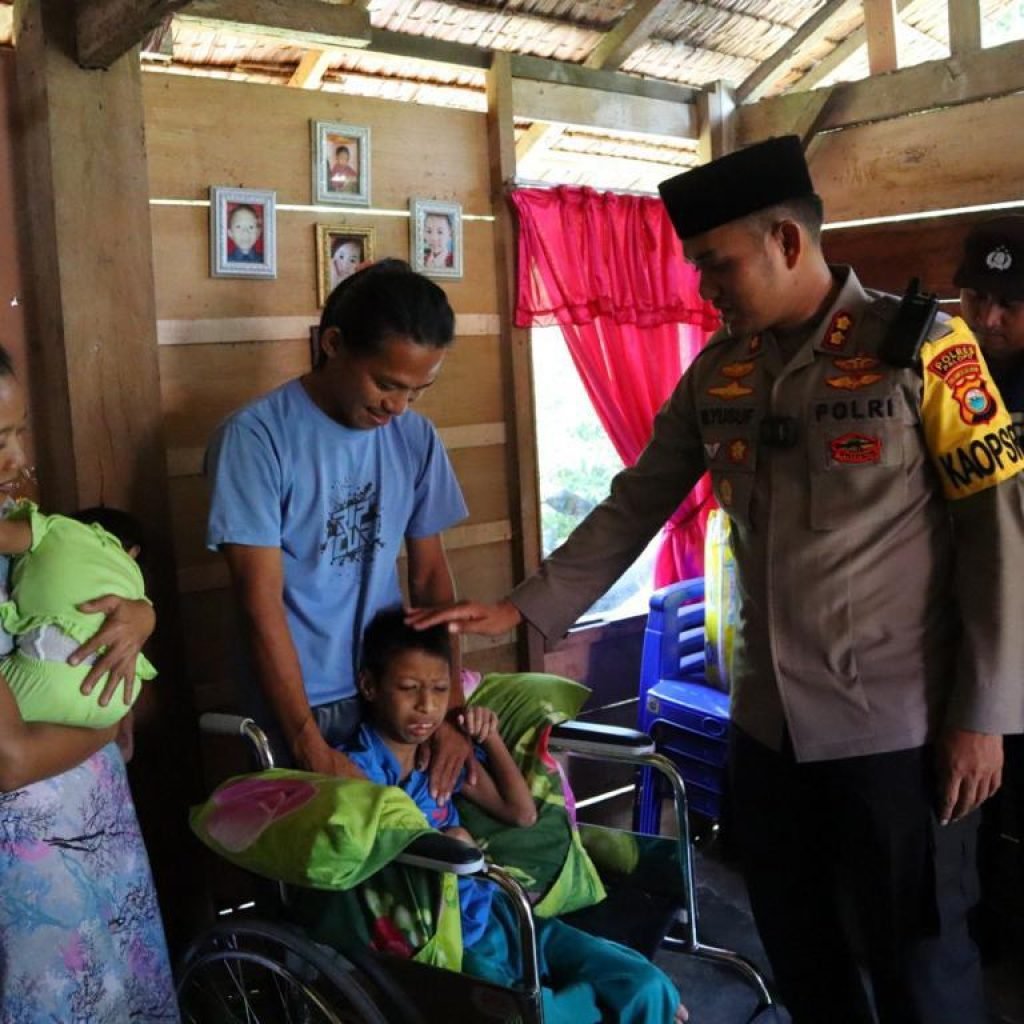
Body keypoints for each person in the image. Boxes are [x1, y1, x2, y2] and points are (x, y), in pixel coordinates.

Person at [409, 136, 1024, 1024]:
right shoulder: (720, 372)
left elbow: (997, 537)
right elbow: (637, 500)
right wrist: (527, 603)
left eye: (715, 263)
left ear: (785, 240)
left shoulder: (927, 349)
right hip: (768, 734)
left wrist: (984, 716)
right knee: (804, 953)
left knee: (922, 964)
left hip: (902, 735)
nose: (703, 286)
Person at [206, 260, 473, 798]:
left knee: (414, 864)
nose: (396, 407)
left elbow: (430, 581)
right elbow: (259, 605)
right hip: (298, 700)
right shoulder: (256, 439)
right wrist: (306, 742)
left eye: (416, 392)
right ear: (332, 343)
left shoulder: (415, 438)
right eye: (385, 384)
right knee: (327, 870)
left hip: (393, 692)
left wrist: (449, 711)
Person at [346, 607, 688, 1024]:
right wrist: (448, 842)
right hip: (447, 938)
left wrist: (489, 739)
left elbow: (521, 813)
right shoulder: (355, 772)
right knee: (544, 1014)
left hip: (500, 913)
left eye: (438, 689)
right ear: (369, 685)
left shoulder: (441, 756)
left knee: (642, 982)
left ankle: (620, 1003)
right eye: (408, 688)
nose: (426, 706)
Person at [0, 347, 178, 1021]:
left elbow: (87, 623)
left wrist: (139, 612)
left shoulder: (18, 539)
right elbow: (10, 759)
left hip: (93, 837)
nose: (19, 461)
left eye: (21, 433)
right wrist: (110, 715)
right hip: (29, 876)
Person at [954, 214, 1024, 959]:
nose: (990, 318)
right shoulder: (949, 378)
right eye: (977, 299)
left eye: (1010, 302)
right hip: (970, 633)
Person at [0, 502, 154, 727]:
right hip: (118, 697)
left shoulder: (55, 528)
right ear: (132, 553)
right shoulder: (134, 583)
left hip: (45, 671)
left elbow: (4, 536)